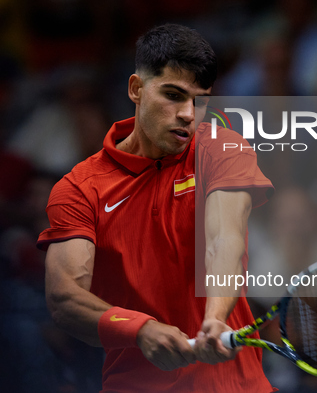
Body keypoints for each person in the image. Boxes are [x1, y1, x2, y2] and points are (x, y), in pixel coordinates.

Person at [37, 24, 275, 392]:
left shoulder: (223, 148)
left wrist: (215, 318)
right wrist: (140, 330)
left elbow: (224, 240)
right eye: (173, 95)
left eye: (200, 100)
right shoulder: (79, 189)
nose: (187, 114)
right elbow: (64, 298)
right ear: (136, 89)